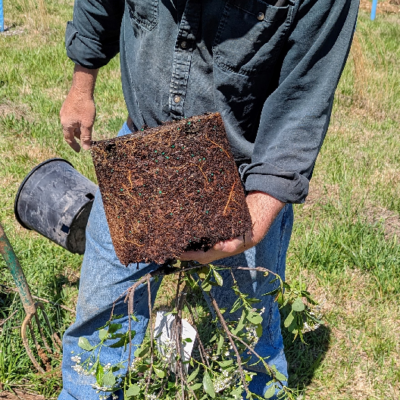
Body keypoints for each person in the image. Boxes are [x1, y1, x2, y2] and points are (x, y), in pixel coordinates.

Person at [59, 0, 359, 398]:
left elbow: (303, 97)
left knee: (249, 340)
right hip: (139, 157)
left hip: (238, 176)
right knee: (100, 324)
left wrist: (256, 217)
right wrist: (82, 85)